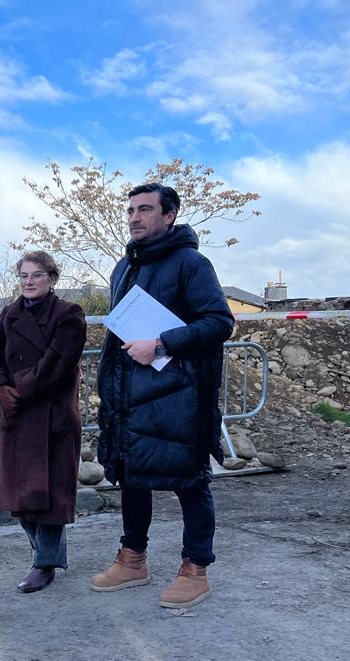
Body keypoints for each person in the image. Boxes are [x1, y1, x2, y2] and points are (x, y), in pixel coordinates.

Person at [91, 183, 234, 608]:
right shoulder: (123, 267)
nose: (134, 217)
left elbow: (219, 322)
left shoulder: (192, 263)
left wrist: (161, 343)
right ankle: (132, 559)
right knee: (133, 476)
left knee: (190, 482)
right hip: (130, 396)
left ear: (169, 215)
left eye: (145, 209)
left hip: (179, 397)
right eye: (131, 210)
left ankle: (196, 569)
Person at [0, 252, 86, 594]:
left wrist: (18, 389)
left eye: (37, 275)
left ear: (52, 278)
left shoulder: (69, 314)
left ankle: (44, 563)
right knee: (20, 498)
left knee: (51, 498)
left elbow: (57, 363)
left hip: (52, 416)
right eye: (24, 275)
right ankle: (46, 556)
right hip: (15, 416)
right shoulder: (8, 314)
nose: (29, 281)